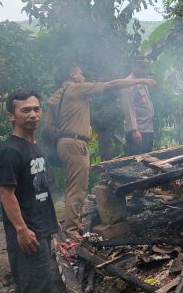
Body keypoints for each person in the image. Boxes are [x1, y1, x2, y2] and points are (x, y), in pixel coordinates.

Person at [0, 90, 71, 293]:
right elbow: (6, 193)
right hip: (27, 229)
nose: (32, 115)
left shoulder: (32, 146)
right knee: (34, 280)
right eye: (25, 110)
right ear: (11, 115)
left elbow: (39, 187)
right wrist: (21, 229)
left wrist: (52, 220)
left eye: (36, 109)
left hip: (40, 223)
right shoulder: (10, 151)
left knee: (30, 279)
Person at [46, 65, 155, 239]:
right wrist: (142, 80)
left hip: (63, 143)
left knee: (71, 185)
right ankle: (72, 230)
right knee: (78, 188)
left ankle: (73, 222)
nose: (83, 76)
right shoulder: (76, 88)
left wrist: (65, 133)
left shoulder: (55, 96)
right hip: (76, 144)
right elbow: (111, 85)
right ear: (72, 75)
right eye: (81, 73)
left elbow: (49, 127)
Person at [120, 55, 155, 155]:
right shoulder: (128, 83)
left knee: (148, 161)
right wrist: (134, 130)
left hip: (147, 129)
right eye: (142, 67)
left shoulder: (143, 81)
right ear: (134, 66)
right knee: (138, 162)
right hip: (138, 132)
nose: (145, 70)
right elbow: (128, 108)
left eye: (146, 67)